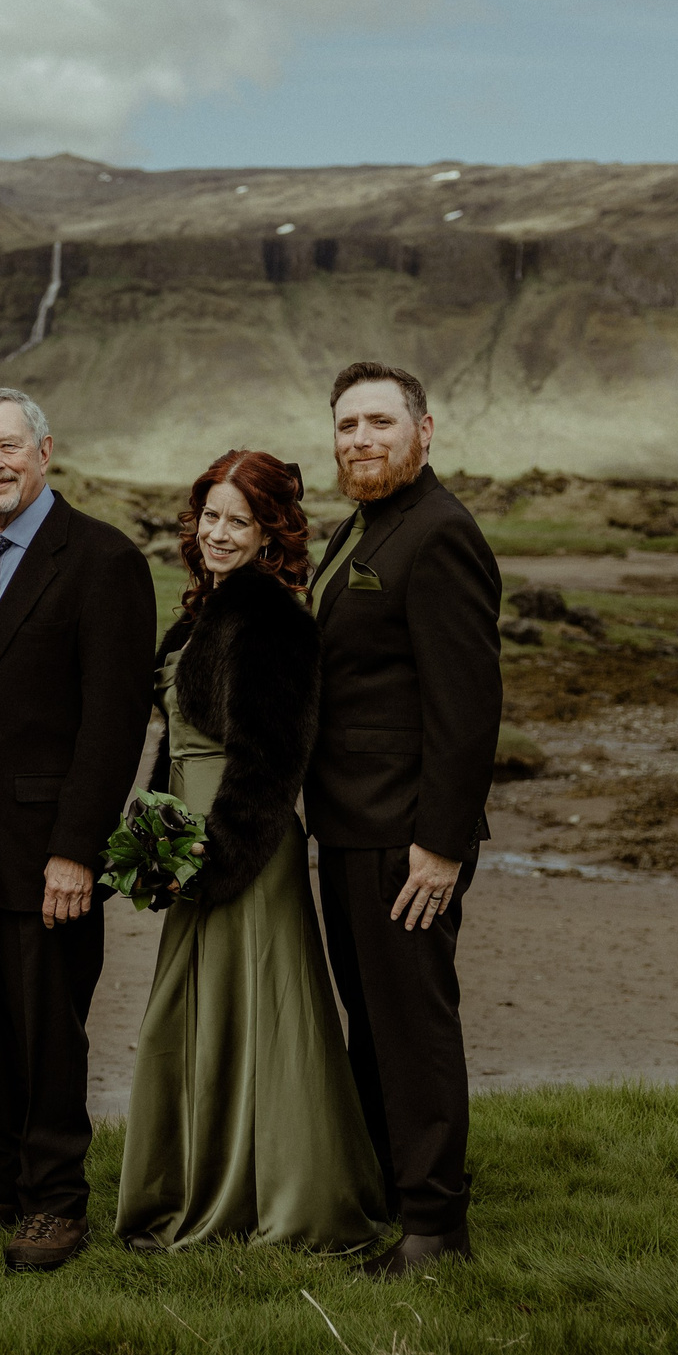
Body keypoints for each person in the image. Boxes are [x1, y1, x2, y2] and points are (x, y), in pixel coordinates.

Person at [116, 451, 386, 1254]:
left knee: (262, 1022)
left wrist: (213, 862)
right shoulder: (206, 610)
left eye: (240, 520)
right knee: (194, 1018)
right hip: (196, 846)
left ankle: (292, 1200)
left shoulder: (271, 618)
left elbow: (272, 761)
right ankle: (203, 1183)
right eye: (210, 516)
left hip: (246, 850)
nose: (219, 533)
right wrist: (157, 845)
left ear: (272, 533)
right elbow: (174, 749)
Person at [0, 387, 154, 1272]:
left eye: (7, 446)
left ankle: (57, 1202)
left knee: (49, 1026)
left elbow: (114, 720)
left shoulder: (102, 560)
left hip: (47, 847)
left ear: (46, 450)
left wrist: (75, 850)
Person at [306, 362, 502, 1279]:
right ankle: (392, 1190)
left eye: (379, 422)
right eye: (347, 426)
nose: (360, 440)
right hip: (348, 826)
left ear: (426, 431)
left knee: (414, 1026)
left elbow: (467, 710)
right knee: (373, 1025)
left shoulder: (441, 534)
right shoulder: (362, 527)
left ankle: (434, 1230)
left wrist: (441, 846)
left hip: (405, 837)